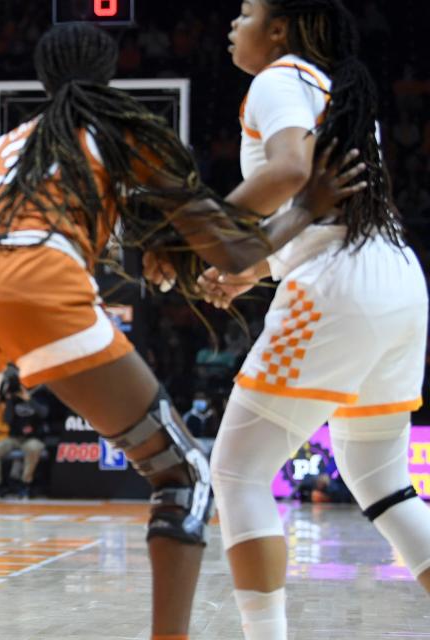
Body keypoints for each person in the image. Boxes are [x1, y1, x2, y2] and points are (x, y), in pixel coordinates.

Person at [0, 22, 365, 640]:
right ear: (108, 75)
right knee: (183, 475)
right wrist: (299, 212)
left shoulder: (15, 143)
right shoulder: (124, 129)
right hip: (31, 291)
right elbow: (219, 236)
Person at [192, 2, 430, 638]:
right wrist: (250, 265)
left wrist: (202, 228)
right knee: (382, 482)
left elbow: (292, 170)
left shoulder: (278, 78)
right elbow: (323, 214)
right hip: (395, 276)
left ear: (279, 29)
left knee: (237, 471)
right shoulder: (338, 90)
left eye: (243, 11)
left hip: (337, 286)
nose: (231, 22)